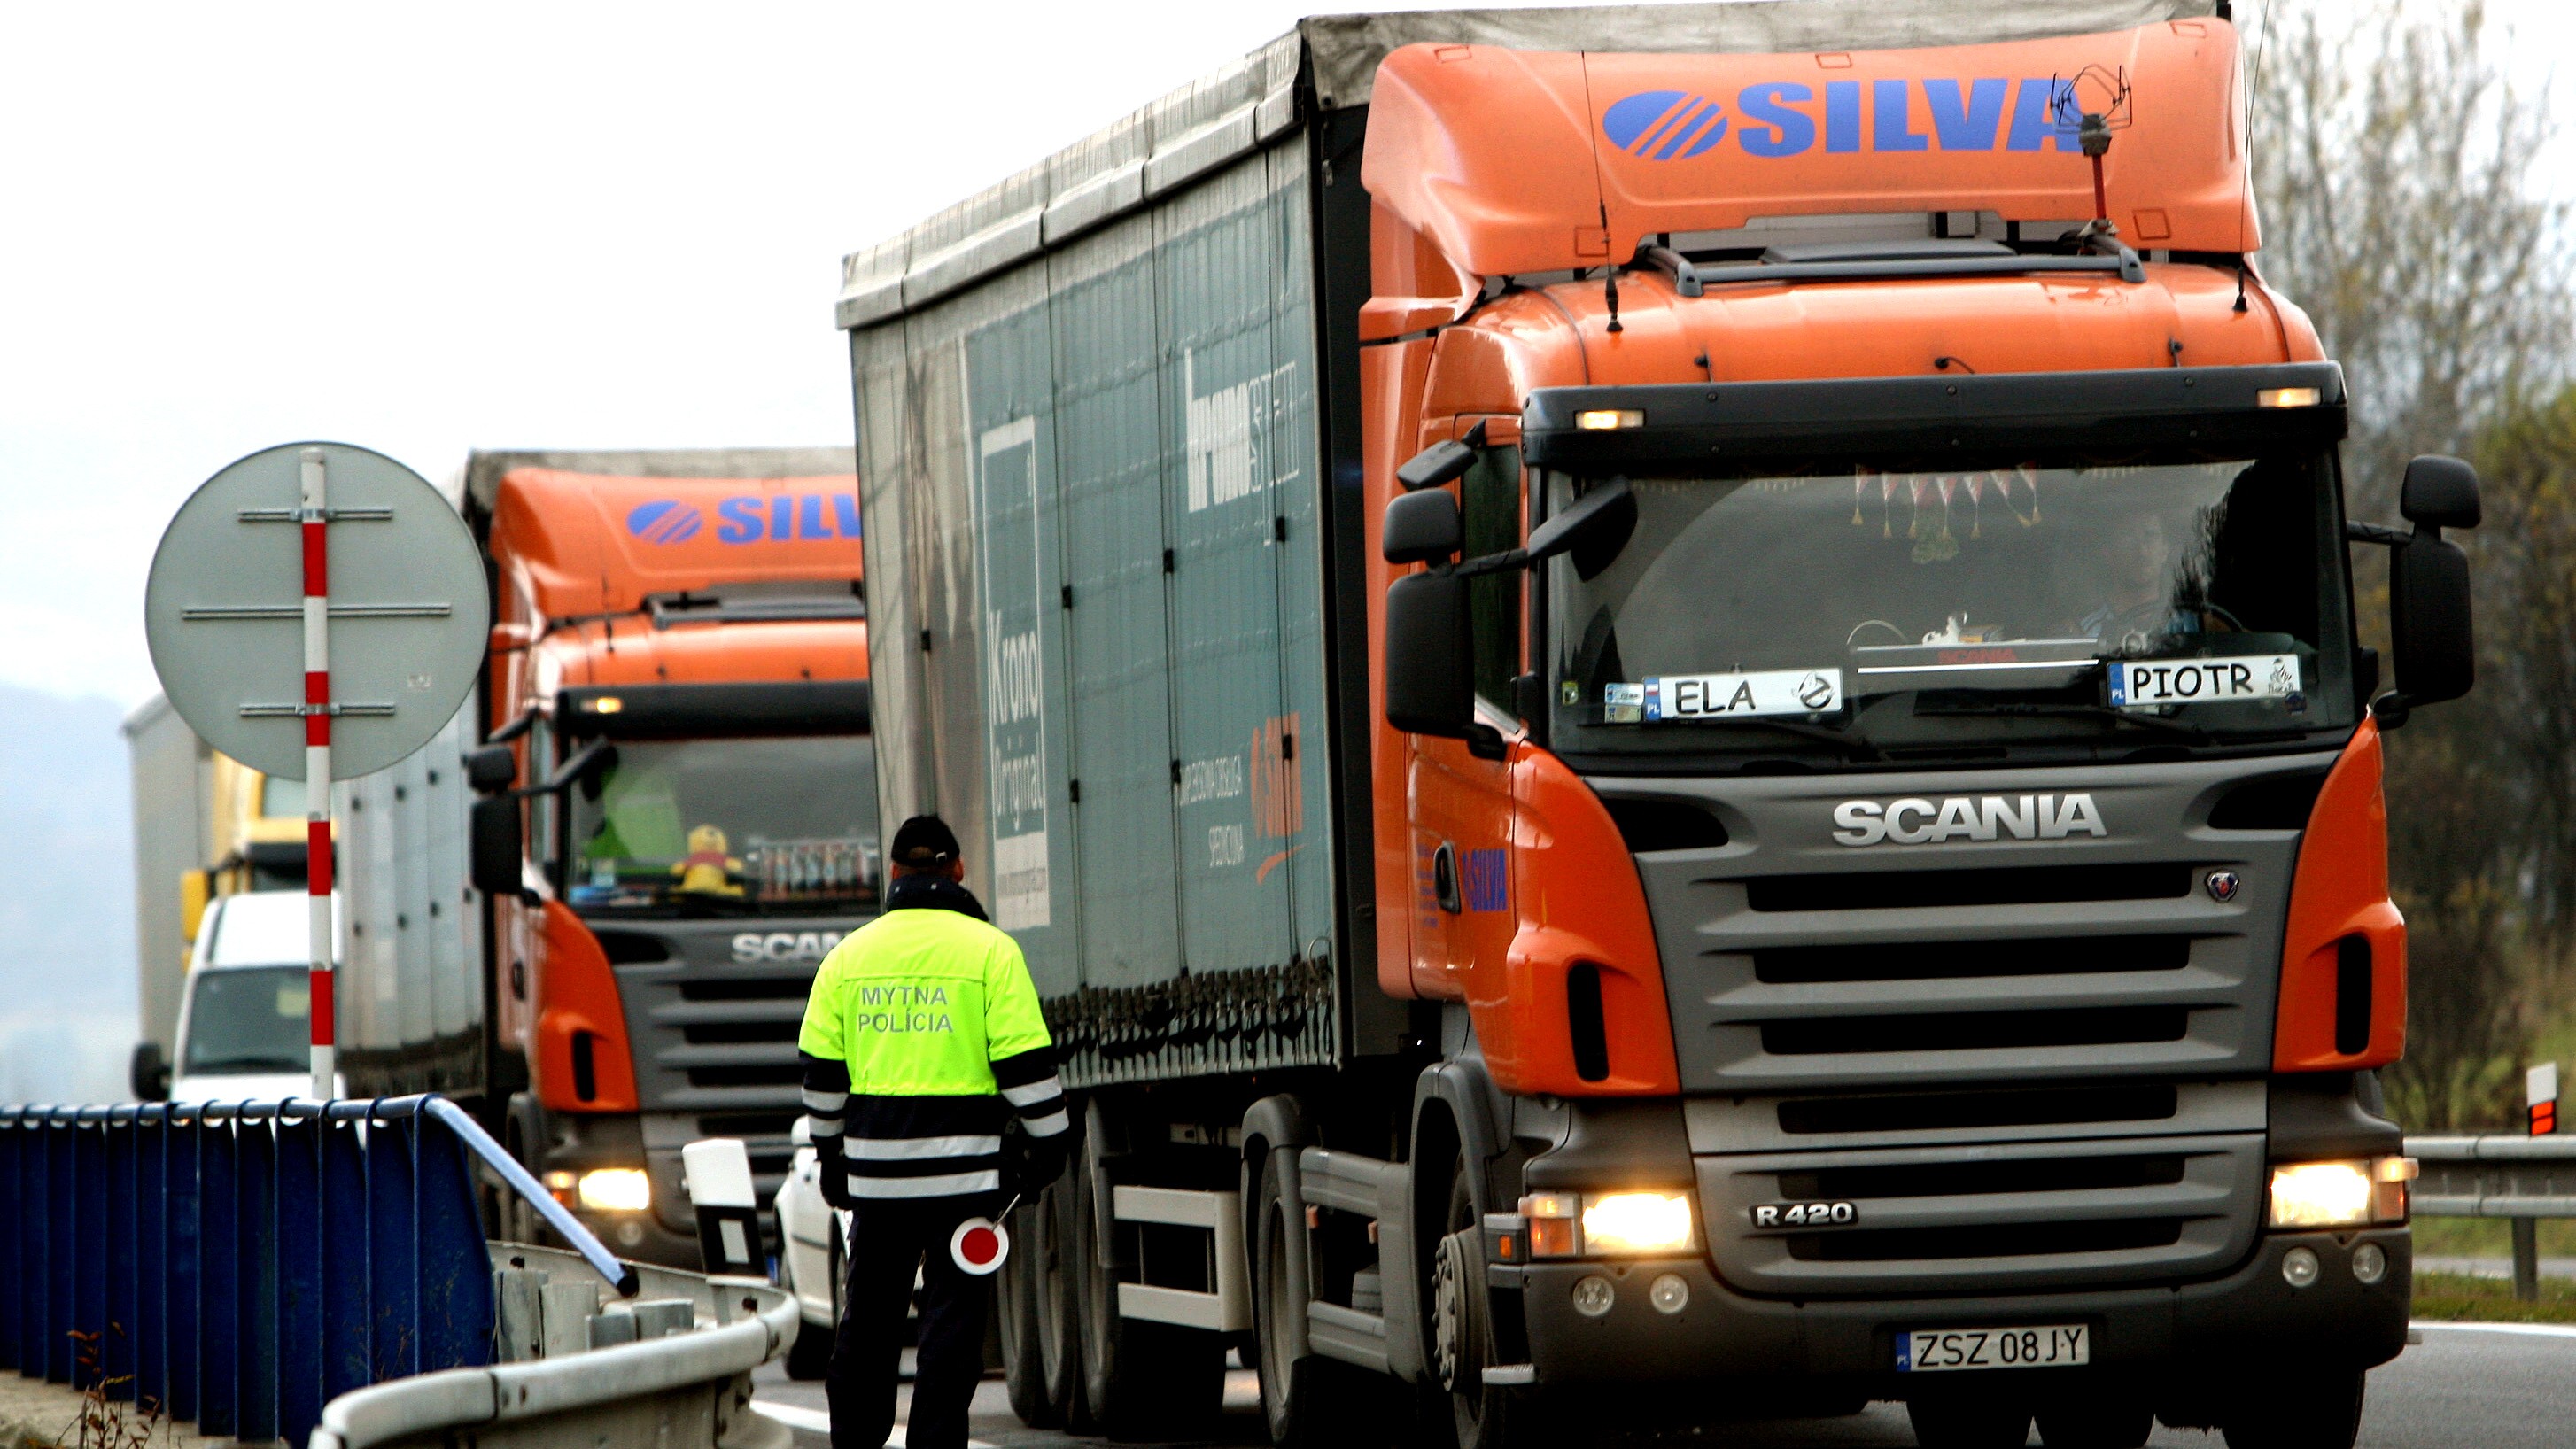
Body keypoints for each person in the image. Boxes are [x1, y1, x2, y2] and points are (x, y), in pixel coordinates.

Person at [797, 814, 1070, 1449]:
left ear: (893, 872)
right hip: (967, 1185)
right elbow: (1026, 1066)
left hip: (878, 1188)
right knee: (952, 1331)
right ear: (958, 870)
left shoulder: (848, 958)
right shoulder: (992, 953)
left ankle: (856, 1442)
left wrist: (831, 1155)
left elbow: (822, 1076)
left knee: (868, 1326)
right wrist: (1049, 1146)